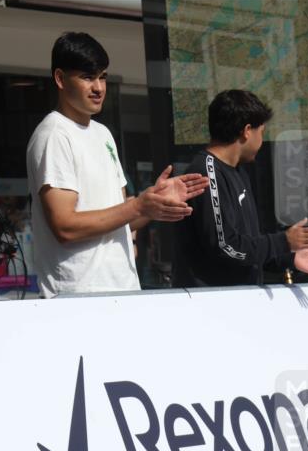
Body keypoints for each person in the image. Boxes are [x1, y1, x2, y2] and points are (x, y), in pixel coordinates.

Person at [27, 32, 208, 298]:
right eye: (88, 77)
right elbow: (65, 226)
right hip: (78, 297)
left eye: (102, 77)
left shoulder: (103, 134)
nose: (99, 87)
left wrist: (155, 204)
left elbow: (120, 219)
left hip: (122, 289)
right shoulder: (54, 134)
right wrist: (137, 205)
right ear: (60, 79)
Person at [173, 90, 308, 287]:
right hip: (213, 305)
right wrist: (283, 241)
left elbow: (249, 246)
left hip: (244, 299)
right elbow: (226, 246)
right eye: (262, 132)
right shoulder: (206, 173)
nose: (262, 141)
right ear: (246, 131)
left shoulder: (238, 171)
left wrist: (288, 258)